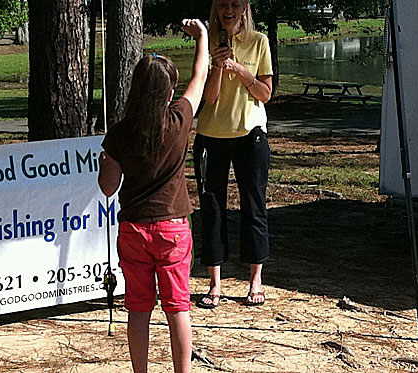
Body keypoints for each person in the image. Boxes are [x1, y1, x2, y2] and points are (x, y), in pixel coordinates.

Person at [98, 19, 208, 373]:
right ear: (169, 90)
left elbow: (107, 187)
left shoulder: (120, 133)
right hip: (173, 229)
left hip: (133, 230)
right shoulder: (179, 120)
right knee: (178, 307)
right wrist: (202, 37)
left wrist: (105, 161)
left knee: (139, 308)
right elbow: (200, 77)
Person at [193, 0, 273, 309]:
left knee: (254, 206)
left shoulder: (259, 41)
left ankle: (255, 279)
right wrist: (216, 66)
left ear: (244, 8)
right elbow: (208, 99)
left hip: (250, 135)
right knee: (212, 208)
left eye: (235, 4)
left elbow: (265, 94)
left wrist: (239, 69)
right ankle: (215, 283)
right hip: (211, 137)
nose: (229, 9)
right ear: (215, 8)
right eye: (223, 4)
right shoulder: (207, 41)